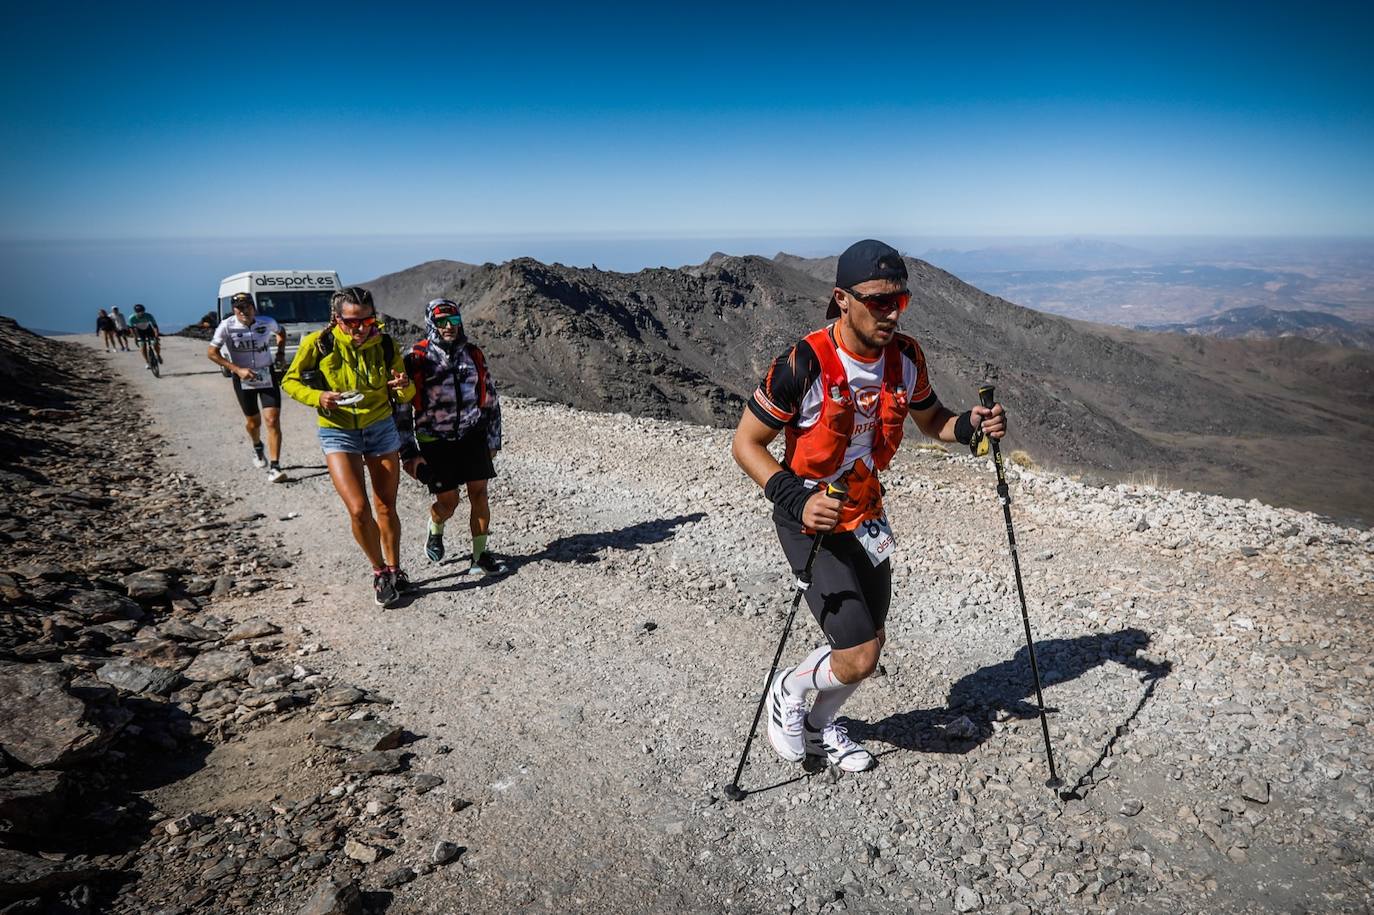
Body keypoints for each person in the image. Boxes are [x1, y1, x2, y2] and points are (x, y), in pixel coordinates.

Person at [731, 239, 1007, 773]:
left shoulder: (906, 358)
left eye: (898, 302)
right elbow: (746, 444)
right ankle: (787, 688)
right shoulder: (802, 363)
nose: (889, 313)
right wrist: (798, 499)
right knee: (858, 655)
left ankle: (819, 726)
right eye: (877, 301)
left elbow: (934, 422)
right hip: (809, 518)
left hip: (866, 514)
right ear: (841, 299)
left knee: (870, 643)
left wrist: (973, 425)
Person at [282, 286, 416, 607]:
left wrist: (404, 387)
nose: (361, 328)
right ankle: (378, 571)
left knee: (385, 506)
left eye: (367, 320)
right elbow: (290, 380)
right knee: (358, 509)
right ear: (337, 319)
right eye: (352, 322)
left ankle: (395, 570)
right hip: (338, 432)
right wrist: (319, 397)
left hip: (380, 428)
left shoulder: (385, 344)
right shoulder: (319, 343)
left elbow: (404, 395)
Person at [402, 298, 506, 575]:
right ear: (431, 323)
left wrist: (493, 439)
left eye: (454, 321)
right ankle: (436, 526)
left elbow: (490, 399)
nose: (449, 326)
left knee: (480, 493)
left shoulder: (473, 354)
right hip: (434, 441)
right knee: (449, 502)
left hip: (472, 435)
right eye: (442, 321)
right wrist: (408, 451)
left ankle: (480, 555)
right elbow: (400, 409)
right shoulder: (416, 357)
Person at [206, 291, 288, 482]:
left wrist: (281, 354)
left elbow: (281, 332)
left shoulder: (266, 321)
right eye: (239, 308)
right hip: (243, 378)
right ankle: (257, 446)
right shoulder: (227, 326)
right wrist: (236, 369)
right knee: (254, 422)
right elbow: (211, 352)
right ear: (234, 310)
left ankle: (275, 467)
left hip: (266, 374)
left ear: (254, 307)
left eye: (247, 307)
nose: (244, 311)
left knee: (272, 420)